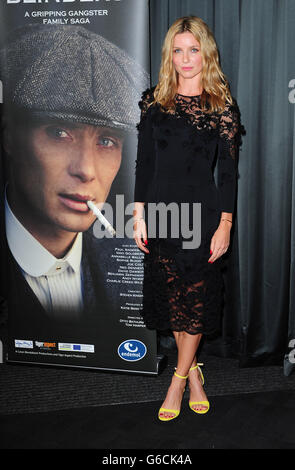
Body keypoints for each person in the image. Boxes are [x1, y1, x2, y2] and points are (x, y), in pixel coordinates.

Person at [0, 24, 149, 340]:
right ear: (9, 137)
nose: (86, 170)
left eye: (107, 141)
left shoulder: (132, 260)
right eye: (59, 132)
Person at [133, 16, 243, 421]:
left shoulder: (220, 106)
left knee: (194, 303)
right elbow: (144, 164)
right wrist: (139, 213)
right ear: (170, 55)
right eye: (178, 50)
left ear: (206, 53)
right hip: (161, 213)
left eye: (193, 49)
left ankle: (177, 381)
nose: (185, 58)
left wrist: (226, 225)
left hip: (202, 216)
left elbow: (229, 173)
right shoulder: (154, 101)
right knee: (175, 302)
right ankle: (194, 372)